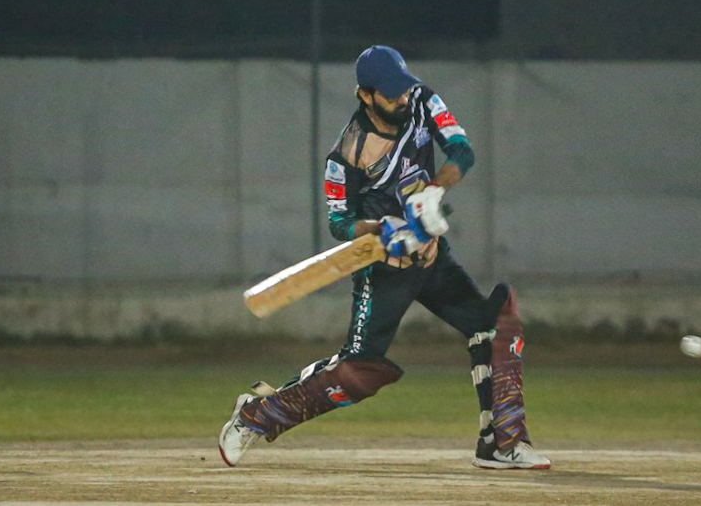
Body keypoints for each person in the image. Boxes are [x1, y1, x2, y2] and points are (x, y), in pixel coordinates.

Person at [219, 45, 550, 470]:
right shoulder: (347, 154)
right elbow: (340, 223)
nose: (402, 98)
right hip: (382, 269)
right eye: (391, 93)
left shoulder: (421, 100)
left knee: (495, 326)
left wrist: (434, 191)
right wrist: (379, 230)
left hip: (431, 258)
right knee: (359, 371)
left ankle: (501, 443)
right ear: (366, 95)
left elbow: (462, 150)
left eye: (404, 88)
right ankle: (256, 416)